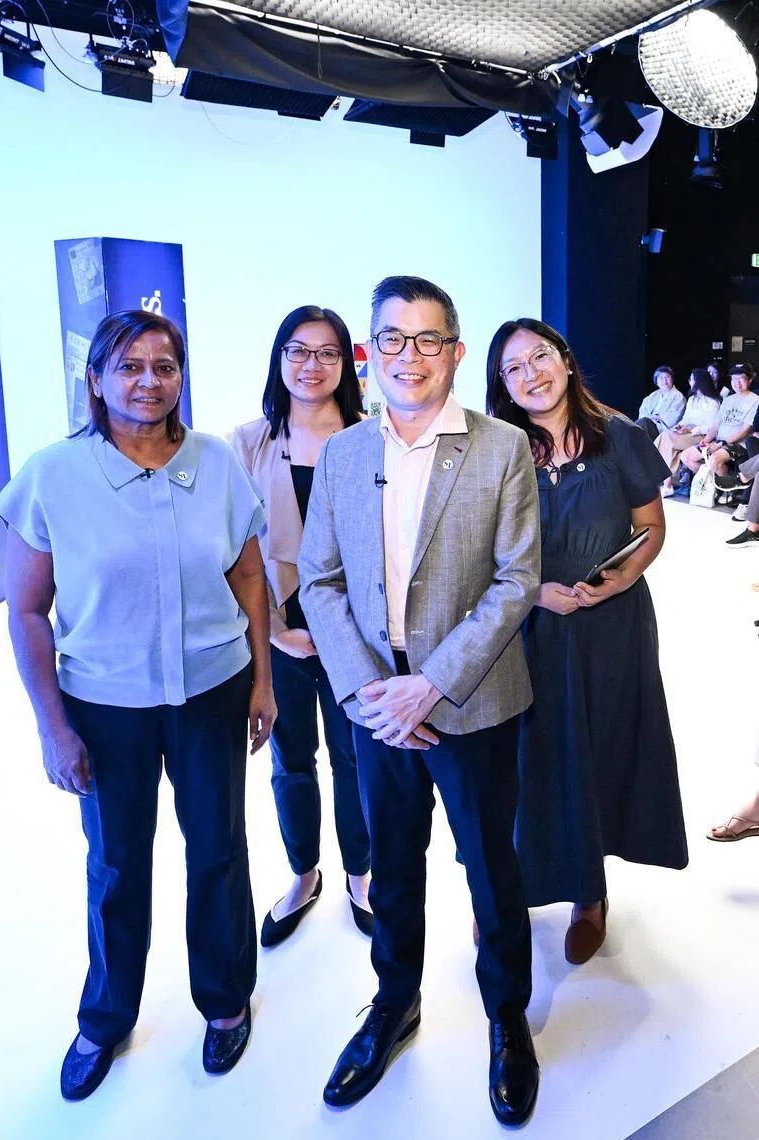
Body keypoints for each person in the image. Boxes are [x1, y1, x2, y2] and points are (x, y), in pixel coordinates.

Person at [0, 310, 276, 1101]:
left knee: (217, 848)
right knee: (117, 862)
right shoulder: (52, 474)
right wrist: (53, 729)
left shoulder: (216, 462)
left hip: (212, 691)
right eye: (129, 366)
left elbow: (249, 578)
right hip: (105, 704)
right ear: (95, 379)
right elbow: (27, 612)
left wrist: (262, 680)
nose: (148, 381)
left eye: (164, 366)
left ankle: (225, 1001)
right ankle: (107, 1016)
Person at [300, 276, 541, 1125]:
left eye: (428, 338)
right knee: (393, 868)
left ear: (456, 351)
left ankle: (507, 1018)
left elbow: (518, 579)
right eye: (393, 339)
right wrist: (373, 690)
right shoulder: (343, 454)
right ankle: (394, 1005)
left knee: (491, 867)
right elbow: (320, 580)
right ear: (370, 353)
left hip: (471, 700)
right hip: (376, 705)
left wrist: (431, 684)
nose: (411, 355)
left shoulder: (502, 447)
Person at [486, 318, 688, 967]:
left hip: (610, 628)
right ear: (503, 385)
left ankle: (589, 896)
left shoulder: (619, 434)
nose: (531, 374)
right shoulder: (498, 449)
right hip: (525, 630)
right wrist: (534, 592)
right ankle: (510, 889)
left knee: (595, 754)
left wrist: (621, 577)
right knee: (525, 762)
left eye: (540, 357)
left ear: (566, 360)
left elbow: (651, 527)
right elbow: (482, 550)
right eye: (514, 368)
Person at [231, 306, 371, 949]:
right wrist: (276, 632)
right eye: (298, 350)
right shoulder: (247, 443)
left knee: (355, 758)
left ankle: (361, 875)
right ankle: (304, 873)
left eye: (327, 352)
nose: (312, 365)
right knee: (291, 760)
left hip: (358, 632)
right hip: (277, 628)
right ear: (279, 359)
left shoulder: (372, 437)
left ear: (345, 363)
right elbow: (235, 551)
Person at [676, 362, 759, 489]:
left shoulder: (755, 400)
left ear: (750, 380)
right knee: (686, 456)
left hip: (738, 444)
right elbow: (715, 427)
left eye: (741, 378)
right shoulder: (728, 399)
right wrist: (705, 441)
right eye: (734, 379)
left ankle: (728, 489)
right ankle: (715, 484)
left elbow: (745, 431)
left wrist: (720, 444)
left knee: (714, 460)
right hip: (718, 441)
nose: (737, 382)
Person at [657, 368, 720, 495]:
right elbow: (685, 419)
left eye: (691, 380)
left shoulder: (713, 402)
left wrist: (691, 429)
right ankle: (668, 484)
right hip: (688, 433)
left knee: (667, 438)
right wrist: (679, 426)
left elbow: (711, 427)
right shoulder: (692, 399)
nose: (689, 382)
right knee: (667, 439)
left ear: (699, 382)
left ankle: (666, 483)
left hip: (702, 436)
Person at [634, 365, 685, 440]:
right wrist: (651, 418)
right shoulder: (652, 396)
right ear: (656, 381)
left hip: (662, 431)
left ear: (672, 379)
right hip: (646, 427)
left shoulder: (678, 397)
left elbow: (673, 418)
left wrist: (654, 417)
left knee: (644, 423)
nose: (664, 381)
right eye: (661, 378)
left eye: (667, 377)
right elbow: (642, 413)